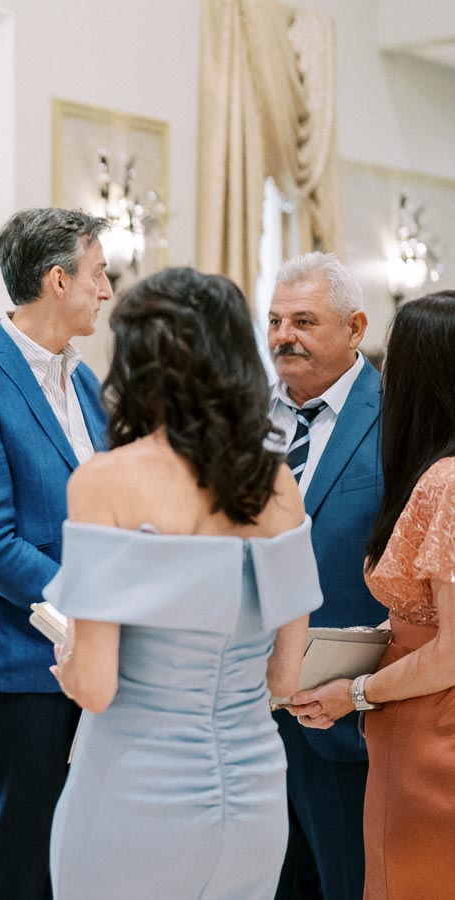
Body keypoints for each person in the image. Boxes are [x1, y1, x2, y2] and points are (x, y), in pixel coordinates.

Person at [46, 267, 321, 899]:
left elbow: (95, 687)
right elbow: (284, 679)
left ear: (137, 364)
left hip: (135, 796)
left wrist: (69, 660)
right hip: (253, 797)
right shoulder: (278, 484)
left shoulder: (106, 481)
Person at [0, 207, 111, 899]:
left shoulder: (86, 381)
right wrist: (96, 601)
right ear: (58, 280)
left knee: (86, 860)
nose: (106, 290)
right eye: (97, 274)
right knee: (23, 867)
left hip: (100, 659)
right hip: (24, 670)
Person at [289, 291, 455, 900]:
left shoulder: (446, 483)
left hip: (431, 731)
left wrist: (355, 692)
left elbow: (450, 651)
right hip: (412, 720)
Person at [266, 252, 384, 900]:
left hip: (344, 714)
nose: (285, 336)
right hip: (249, 718)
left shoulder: (396, 416)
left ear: (355, 327)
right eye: (275, 321)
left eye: (304, 321)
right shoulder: (247, 420)